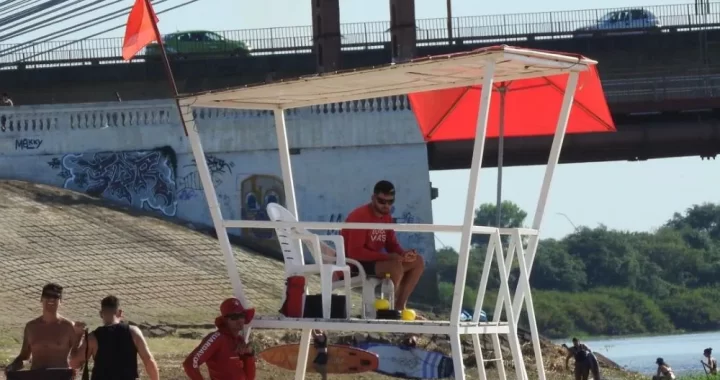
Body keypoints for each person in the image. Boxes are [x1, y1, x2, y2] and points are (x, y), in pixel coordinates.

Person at [340, 180, 425, 312]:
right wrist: (387, 257)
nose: (386, 206)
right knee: (394, 265)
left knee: (417, 261)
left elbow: (392, 244)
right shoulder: (360, 216)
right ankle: (388, 311)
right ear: (373, 198)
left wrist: (403, 254)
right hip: (354, 264)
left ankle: (399, 307)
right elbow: (355, 252)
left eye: (390, 202)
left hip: (375, 261)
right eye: (381, 201)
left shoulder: (386, 218)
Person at [4, 283, 84, 380]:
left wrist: (79, 336)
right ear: (41, 299)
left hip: (60, 377)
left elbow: (76, 359)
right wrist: (12, 367)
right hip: (36, 376)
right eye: (47, 296)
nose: (51, 299)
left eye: (55, 297)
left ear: (61, 301)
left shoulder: (68, 327)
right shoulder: (31, 327)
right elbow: (24, 356)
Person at [69, 295, 159, 380]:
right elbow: (149, 361)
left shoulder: (93, 338)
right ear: (120, 312)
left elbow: (74, 363)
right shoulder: (134, 332)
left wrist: (77, 336)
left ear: (101, 314)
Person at [183, 297, 256, 380]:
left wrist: (248, 355)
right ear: (225, 320)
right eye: (234, 317)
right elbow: (190, 363)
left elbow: (250, 378)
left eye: (241, 316)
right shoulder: (217, 338)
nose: (239, 320)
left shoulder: (239, 340)